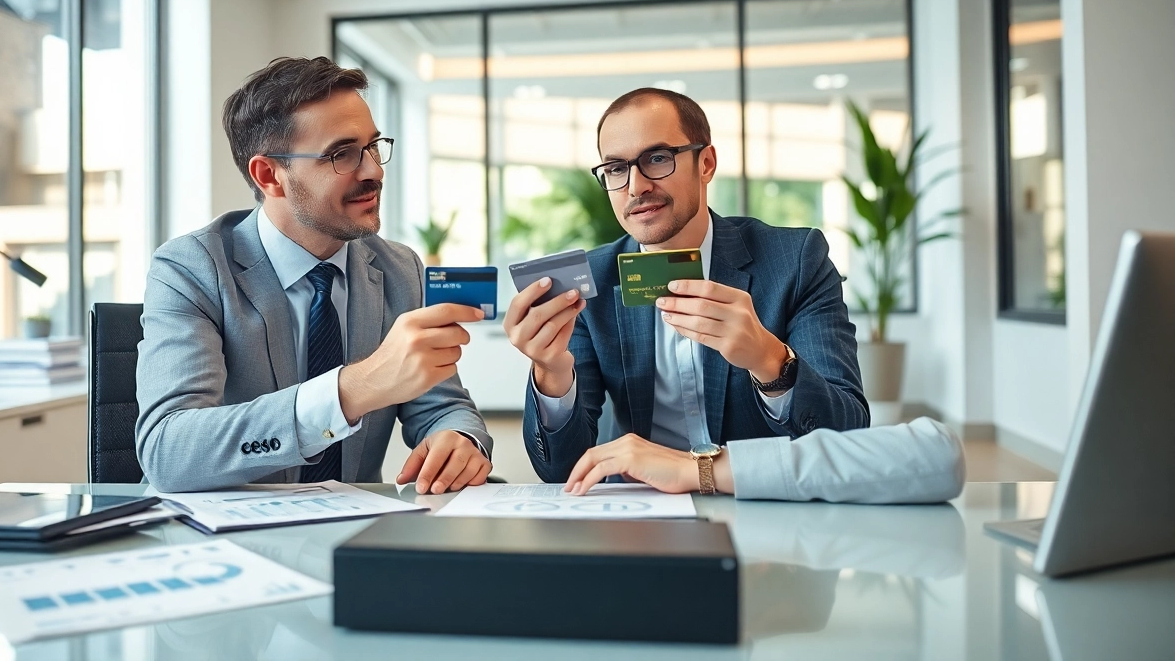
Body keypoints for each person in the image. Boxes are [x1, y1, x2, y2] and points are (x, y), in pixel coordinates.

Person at [505, 87, 961, 503]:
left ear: (706, 163)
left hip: (775, 510)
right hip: (646, 513)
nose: (637, 185)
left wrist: (769, 360)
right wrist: (551, 372)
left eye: (658, 158)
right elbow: (559, 470)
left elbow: (846, 431)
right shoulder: (594, 281)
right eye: (616, 168)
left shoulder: (795, 259)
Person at [136, 57, 492, 494]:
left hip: (355, 533)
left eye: (373, 147)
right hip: (226, 541)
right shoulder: (191, 268)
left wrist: (457, 438)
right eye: (341, 154)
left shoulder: (400, 269)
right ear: (270, 176)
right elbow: (167, 451)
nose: (374, 171)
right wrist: (351, 391)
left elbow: (442, 405)